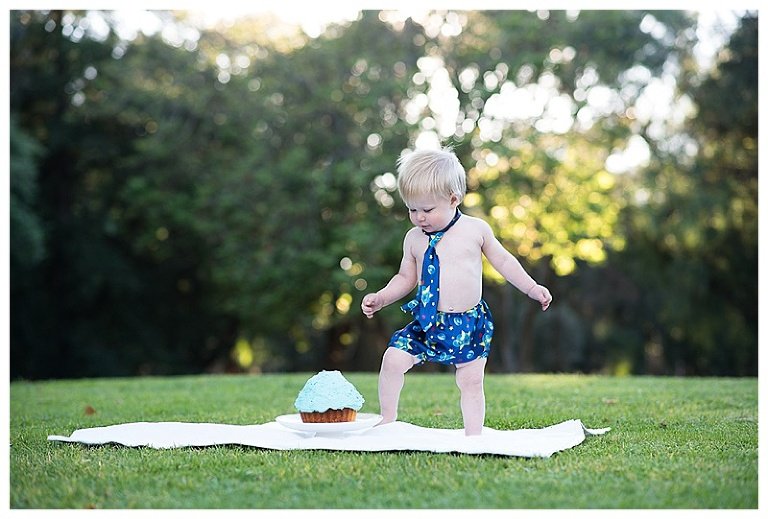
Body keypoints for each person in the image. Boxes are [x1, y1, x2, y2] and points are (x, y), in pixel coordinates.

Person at [361, 147, 552, 436]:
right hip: (428, 321)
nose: (419, 217)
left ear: (453, 199)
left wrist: (531, 287)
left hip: (467, 322)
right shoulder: (413, 238)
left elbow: (503, 261)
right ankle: (388, 419)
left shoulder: (475, 230)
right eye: (412, 209)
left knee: (471, 380)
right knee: (392, 360)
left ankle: (473, 434)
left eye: (427, 210)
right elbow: (405, 277)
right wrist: (382, 297)